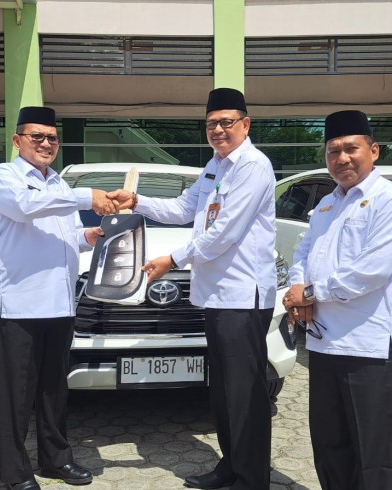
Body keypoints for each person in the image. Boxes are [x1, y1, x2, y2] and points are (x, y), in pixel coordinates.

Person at [107, 88, 277, 490]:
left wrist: (173, 259)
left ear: (245, 124)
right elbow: (184, 208)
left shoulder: (253, 166)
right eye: (211, 124)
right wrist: (137, 201)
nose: (218, 130)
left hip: (243, 295)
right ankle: (231, 466)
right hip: (216, 295)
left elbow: (225, 232)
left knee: (244, 394)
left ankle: (252, 479)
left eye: (226, 122)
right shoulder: (215, 165)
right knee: (223, 390)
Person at [282, 110, 392, 490]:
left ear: (373, 151)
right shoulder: (327, 204)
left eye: (351, 149)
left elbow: (372, 271)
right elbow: (303, 253)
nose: (341, 158)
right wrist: (298, 289)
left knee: (377, 456)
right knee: (331, 445)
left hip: (371, 348)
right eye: (333, 151)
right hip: (325, 343)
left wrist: (311, 293)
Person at [0, 106, 117, 490]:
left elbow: (66, 235)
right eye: (37, 136)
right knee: (16, 396)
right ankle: (15, 475)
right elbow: (25, 208)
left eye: (52, 138)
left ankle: (56, 460)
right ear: (17, 140)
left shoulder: (59, 182)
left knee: (54, 390)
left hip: (59, 303)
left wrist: (89, 236)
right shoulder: (4, 176)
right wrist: (87, 196)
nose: (45, 143)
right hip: (18, 305)